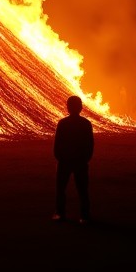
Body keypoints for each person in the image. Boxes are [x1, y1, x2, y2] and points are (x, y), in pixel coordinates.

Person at [52, 95, 94, 223]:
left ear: (68, 107)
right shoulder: (86, 123)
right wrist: (86, 158)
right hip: (79, 161)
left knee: (61, 189)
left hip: (66, 161)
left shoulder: (63, 123)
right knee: (82, 190)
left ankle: (60, 214)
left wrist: (59, 157)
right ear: (81, 107)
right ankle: (84, 216)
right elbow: (90, 144)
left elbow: (57, 143)